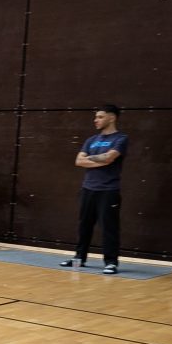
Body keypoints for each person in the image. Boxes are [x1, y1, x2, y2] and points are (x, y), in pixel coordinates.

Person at [60, 104, 128, 275]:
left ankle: (111, 262)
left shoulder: (120, 138)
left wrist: (93, 159)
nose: (95, 120)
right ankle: (79, 259)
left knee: (109, 227)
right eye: (96, 117)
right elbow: (79, 161)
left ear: (112, 117)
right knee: (84, 225)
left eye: (100, 117)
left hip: (108, 190)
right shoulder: (91, 140)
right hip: (88, 188)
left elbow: (109, 158)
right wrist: (101, 160)